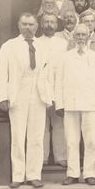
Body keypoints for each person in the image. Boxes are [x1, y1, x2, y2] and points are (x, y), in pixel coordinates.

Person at [0, 13, 53, 188]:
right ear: (19, 26)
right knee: (18, 135)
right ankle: (18, 176)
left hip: (38, 93)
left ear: (37, 27)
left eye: (31, 24)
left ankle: (34, 175)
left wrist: (49, 96)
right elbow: (0, 73)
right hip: (18, 93)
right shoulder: (9, 46)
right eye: (24, 24)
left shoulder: (42, 46)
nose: (28, 28)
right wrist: (2, 97)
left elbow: (48, 73)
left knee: (36, 136)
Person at [55, 23, 95, 186]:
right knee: (71, 140)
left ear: (88, 37)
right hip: (70, 104)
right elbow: (59, 81)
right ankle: (72, 173)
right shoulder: (65, 57)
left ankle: (90, 173)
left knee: (91, 141)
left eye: (83, 35)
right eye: (77, 35)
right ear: (73, 36)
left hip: (91, 105)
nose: (80, 38)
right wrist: (60, 104)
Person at [38, 14, 69, 167]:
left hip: (58, 88)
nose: (49, 25)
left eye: (52, 22)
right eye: (46, 22)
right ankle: (42, 157)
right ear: (41, 24)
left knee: (60, 124)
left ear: (57, 25)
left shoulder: (63, 44)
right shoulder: (36, 43)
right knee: (41, 125)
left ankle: (61, 156)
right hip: (40, 89)